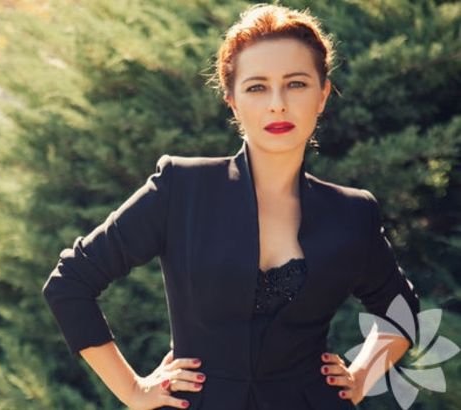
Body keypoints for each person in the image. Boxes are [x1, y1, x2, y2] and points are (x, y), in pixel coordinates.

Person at [42, 3, 420, 409]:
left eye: (296, 84)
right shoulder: (181, 188)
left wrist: (360, 378)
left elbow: (400, 310)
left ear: (323, 95)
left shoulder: (352, 213)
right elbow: (70, 283)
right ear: (232, 101)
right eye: (257, 87)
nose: (277, 104)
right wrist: (133, 390)